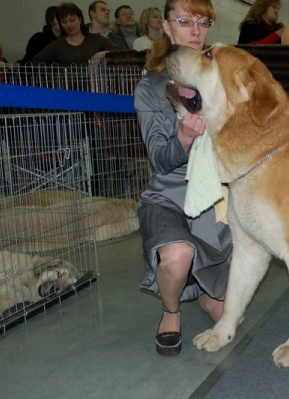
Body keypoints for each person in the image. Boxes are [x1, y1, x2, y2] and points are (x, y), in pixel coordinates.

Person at [134, 0, 231, 356]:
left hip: (213, 200)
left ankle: (207, 295)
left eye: (203, 22)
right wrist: (185, 137)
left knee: (223, 313)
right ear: (167, 26)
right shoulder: (149, 88)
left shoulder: (219, 75)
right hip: (168, 197)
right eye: (185, 21)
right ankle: (170, 310)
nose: (196, 30)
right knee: (176, 256)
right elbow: (160, 160)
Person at [32, 2, 119, 66]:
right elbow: (35, 63)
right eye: (64, 22)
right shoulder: (57, 45)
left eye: (72, 20)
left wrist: (103, 54)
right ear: (61, 25)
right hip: (67, 89)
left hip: (94, 88)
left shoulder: (96, 39)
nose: (69, 25)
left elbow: (121, 52)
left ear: (80, 19)